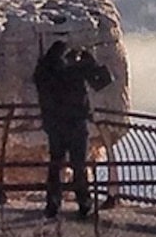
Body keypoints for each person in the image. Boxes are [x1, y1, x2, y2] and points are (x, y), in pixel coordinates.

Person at [30, 38, 112, 217]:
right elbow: (103, 81)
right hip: (76, 124)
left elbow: (40, 79)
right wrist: (90, 62)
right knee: (78, 165)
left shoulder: (43, 72)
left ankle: (52, 203)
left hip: (54, 125)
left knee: (55, 165)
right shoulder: (75, 71)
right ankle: (83, 202)